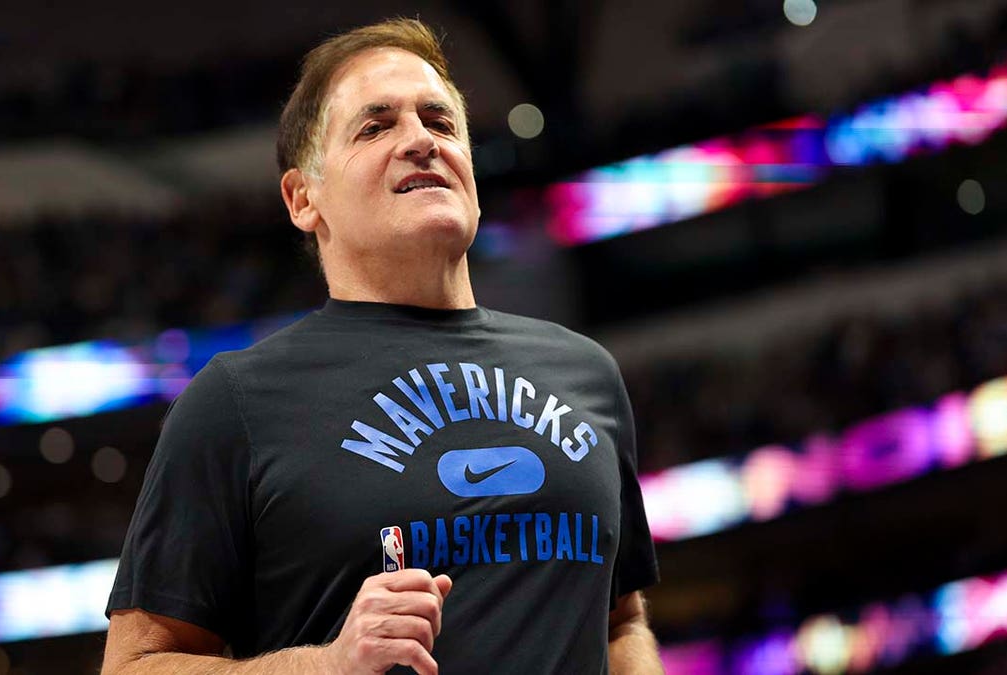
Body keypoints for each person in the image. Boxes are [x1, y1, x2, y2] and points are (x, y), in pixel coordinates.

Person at [102, 18, 662, 674]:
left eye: (441, 121)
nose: (421, 139)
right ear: (302, 198)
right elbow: (136, 666)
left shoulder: (585, 372)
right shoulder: (236, 403)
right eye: (376, 125)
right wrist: (329, 664)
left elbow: (622, 621)